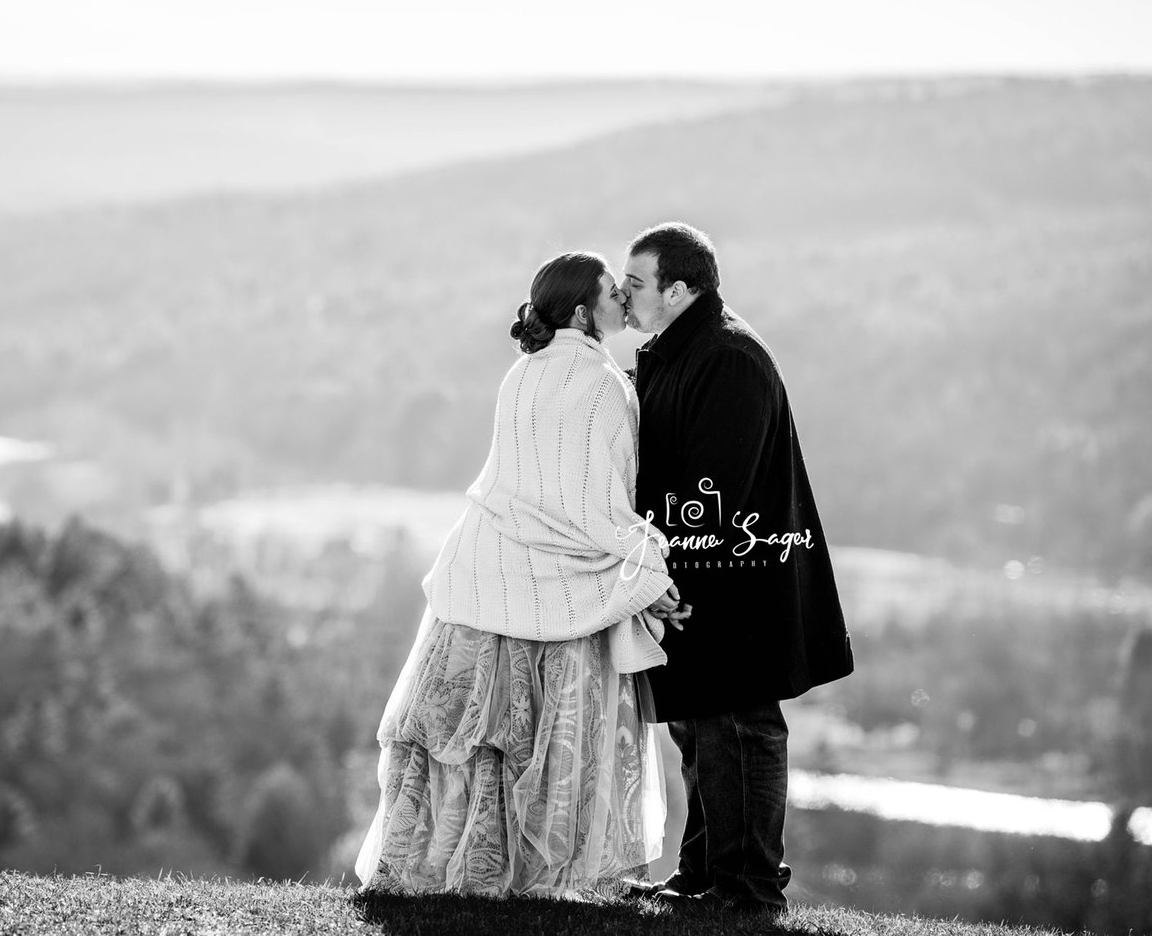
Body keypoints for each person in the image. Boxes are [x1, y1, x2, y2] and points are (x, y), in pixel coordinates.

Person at [355, 251, 691, 897]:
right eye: (611, 290)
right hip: (557, 589)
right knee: (546, 743)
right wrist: (651, 562)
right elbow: (597, 507)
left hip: (484, 574)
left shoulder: (522, 373)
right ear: (581, 311)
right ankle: (537, 874)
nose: (623, 295)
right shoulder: (602, 385)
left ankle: (445, 868)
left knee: (477, 737)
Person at [620, 222, 854, 913]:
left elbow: (712, 489)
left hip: (736, 584)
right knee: (701, 727)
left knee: (741, 726)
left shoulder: (728, 358)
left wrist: (666, 568)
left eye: (635, 284)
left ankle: (747, 889)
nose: (621, 294)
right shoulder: (678, 350)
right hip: (697, 580)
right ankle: (701, 877)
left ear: (679, 289)